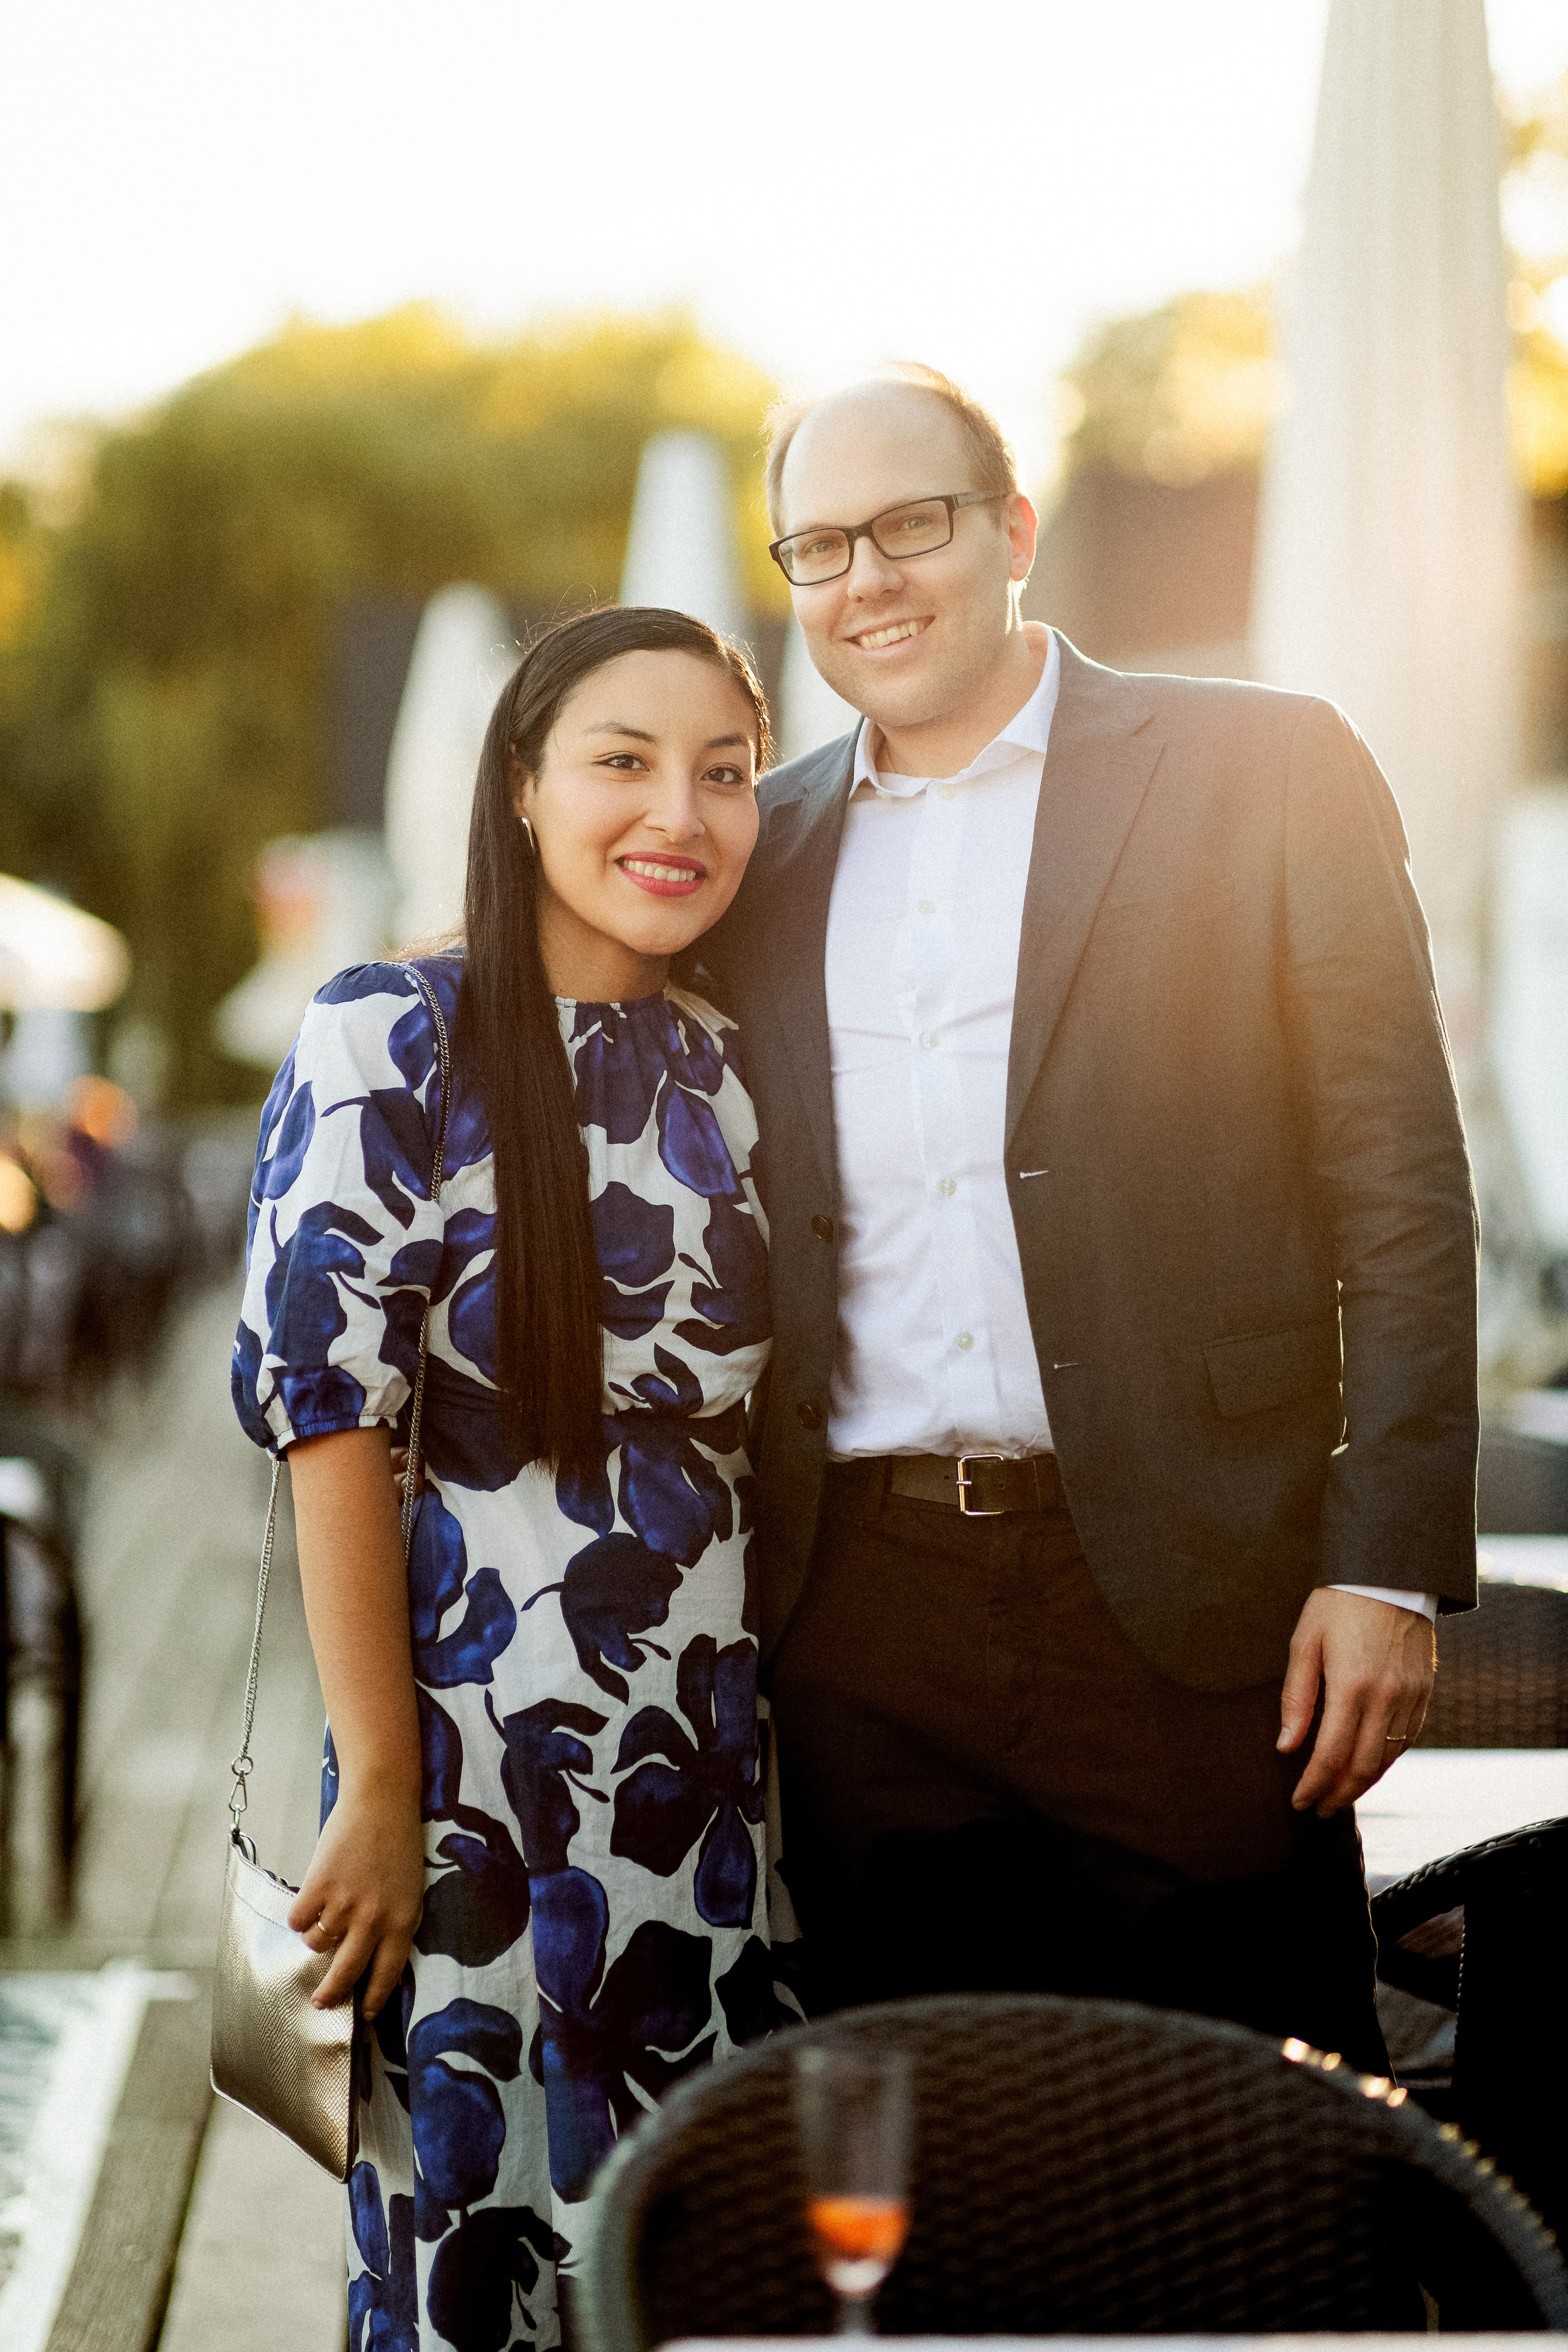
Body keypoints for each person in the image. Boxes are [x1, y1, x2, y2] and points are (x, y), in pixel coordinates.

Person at [693, 364, 1478, 2070]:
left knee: (1253, 2166)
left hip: (1202, 1601)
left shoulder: (1265, 765)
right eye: (819, 547)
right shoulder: (771, 851)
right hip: (862, 1622)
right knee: (939, 2172)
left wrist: (1388, 1565)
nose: (868, 580)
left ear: (1013, 529)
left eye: (912, 525)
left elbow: (1401, 1185)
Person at [233, 608, 793, 2351]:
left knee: (686, 2263)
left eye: (725, 772)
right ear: (525, 788)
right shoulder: (389, 1034)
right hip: (474, 1781)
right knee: (481, 2253)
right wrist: (381, 1782)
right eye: (623, 762)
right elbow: (327, 1419)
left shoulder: (733, 1064)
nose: (677, 813)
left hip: (714, 1794)